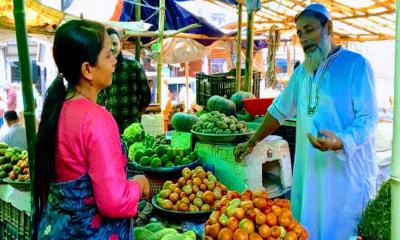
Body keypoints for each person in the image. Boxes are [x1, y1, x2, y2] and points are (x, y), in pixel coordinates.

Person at [235, 3, 377, 240]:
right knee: (308, 228)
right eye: (299, 33)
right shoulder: (302, 73)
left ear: (328, 27)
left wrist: (341, 141)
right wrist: (252, 141)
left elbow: (369, 119)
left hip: (343, 176)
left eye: (309, 29)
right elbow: (278, 110)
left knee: (340, 230)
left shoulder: (356, 65)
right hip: (310, 172)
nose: (303, 38)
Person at [33, 20, 150, 239]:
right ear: (87, 69)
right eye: (108, 55)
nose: (115, 60)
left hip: (56, 230)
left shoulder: (55, 111)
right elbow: (114, 202)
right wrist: (138, 185)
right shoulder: (96, 119)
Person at [97, 28, 151, 133]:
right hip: (111, 127)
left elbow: (146, 96)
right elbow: (100, 99)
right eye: (108, 45)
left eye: (115, 44)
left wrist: (136, 114)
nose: (112, 48)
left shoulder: (134, 66)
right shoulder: (103, 70)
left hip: (132, 127)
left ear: (120, 44)